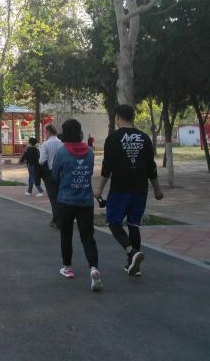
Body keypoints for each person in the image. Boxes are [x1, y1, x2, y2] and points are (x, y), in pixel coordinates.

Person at [94, 104, 163, 277]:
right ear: (133, 117)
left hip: (120, 189)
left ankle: (132, 253)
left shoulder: (113, 138)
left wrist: (99, 188)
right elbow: (151, 167)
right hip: (140, 189)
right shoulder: (144, 138)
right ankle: (134, 267)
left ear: (117, 117)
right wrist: (157, 189)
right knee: (133, 224)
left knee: (113, 222)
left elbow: (107, 167)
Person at [52, 119, 101, 292]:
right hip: (86, 201)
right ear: (80, 132)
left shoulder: (61, 152)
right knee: (88, 236)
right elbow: (89, 172)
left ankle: (67, 268)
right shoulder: (90, 152)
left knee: (66, 235)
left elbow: (54, 175)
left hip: (66, 200)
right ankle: (94, 268)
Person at [39, 124, 63, 228]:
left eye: (45, 132)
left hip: (50, 173)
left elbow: (42, 160)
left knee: (53, 198)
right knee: (60, 197)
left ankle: (57, 220)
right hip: (61, 173)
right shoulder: (61, 143)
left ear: (48, 132)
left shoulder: (45, 144)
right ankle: (59, 218)